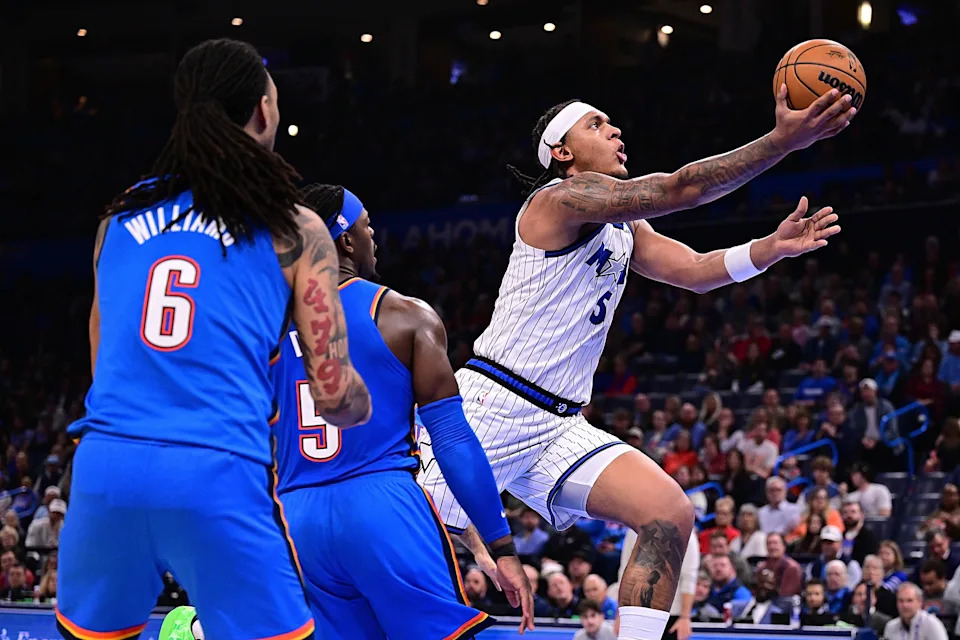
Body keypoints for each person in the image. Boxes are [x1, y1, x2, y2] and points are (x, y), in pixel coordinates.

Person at [418, 88, 853, 640]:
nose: (615, 130)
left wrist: (768, 249)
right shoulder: (559, 200)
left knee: (668, 512)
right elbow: (681, 188)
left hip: (558, 424)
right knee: (406, 546)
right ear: (563, 152)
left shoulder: (625, 227)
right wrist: (781, 142)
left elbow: (694, 270)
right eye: (596, 125)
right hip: (493, 406)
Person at [59, 38, 373, 640]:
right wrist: (368, 405)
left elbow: (104, 365)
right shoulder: (294, 226)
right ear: (263, 110)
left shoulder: (118, 218)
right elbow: (334, 395)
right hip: (215, 468)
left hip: (107, 468)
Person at [273, 184, 533, 639]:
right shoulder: (403, 315)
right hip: (380, 503)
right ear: (346, 241)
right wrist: (501, 545)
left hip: (297, 519)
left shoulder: (266, 328)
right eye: (367, 226)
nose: (373, 236)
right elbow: (452, 440)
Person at [883, 582, 949, 640]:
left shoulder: (932, 624)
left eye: (909, 600)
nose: (905, 605)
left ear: (920, 602)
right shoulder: (891, 626)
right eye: (901, 601)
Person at [758, 532, 804, 597]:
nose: (772, 547)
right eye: (769, 543)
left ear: (784, 546)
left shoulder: (792, 567)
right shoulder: (762, 567)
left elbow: (788, 594)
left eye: (775, 543)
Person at [841, 500, 878, 565]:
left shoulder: (868, 536)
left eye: (853, 512)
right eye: (845, 512)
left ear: (861, 514)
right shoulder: (840, 535)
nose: (849, 515)